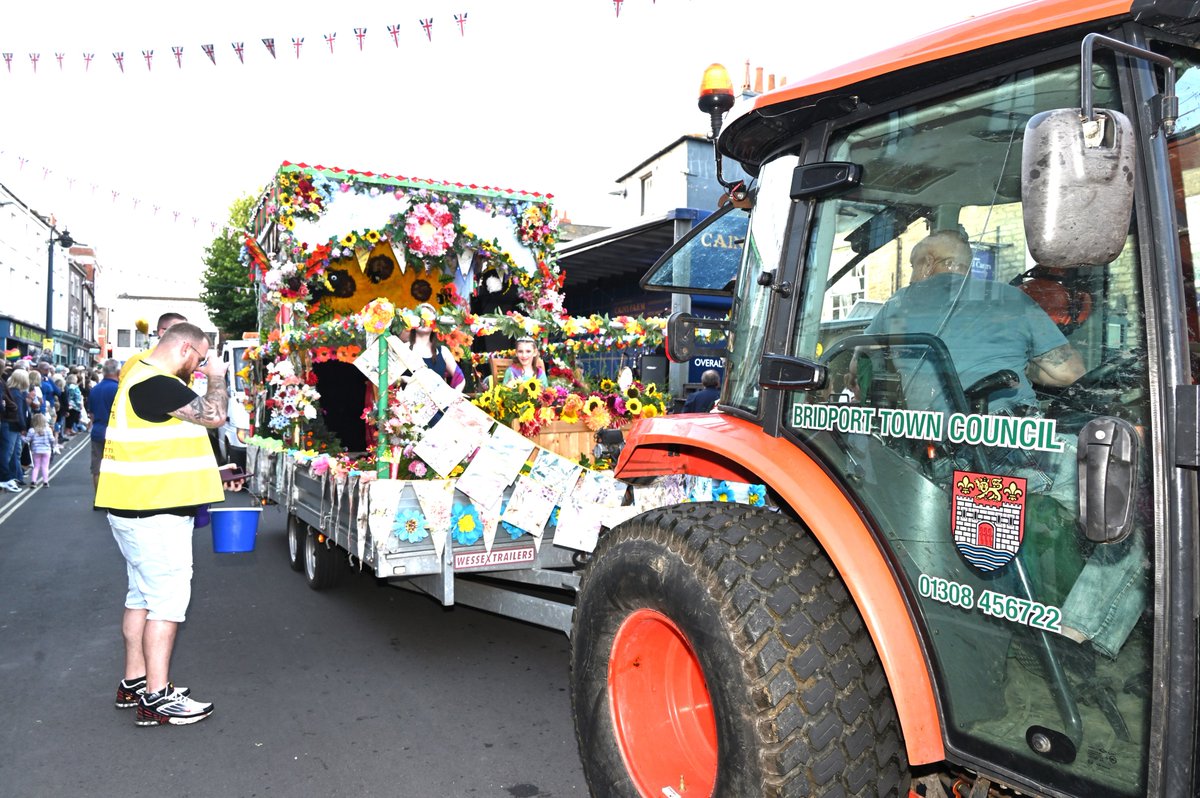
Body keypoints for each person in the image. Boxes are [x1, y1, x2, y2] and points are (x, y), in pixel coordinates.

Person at [95, 322, 241, 726]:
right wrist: (217, 376)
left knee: (141, 597)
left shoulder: (139, 376)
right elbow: (215, 415)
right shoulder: (156, 383)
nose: (200, 367)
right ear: (186, 349)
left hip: (136, 507)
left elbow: (164, 447)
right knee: (167, 602)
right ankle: (157, 698)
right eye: (200, 358)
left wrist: (217, 473)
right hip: (154, 514)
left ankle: (135, 683)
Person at [859, 229, 1084, 412]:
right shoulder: (1010, 297)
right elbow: (1069, 374)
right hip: (1010, 435)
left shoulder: (898, 303)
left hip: (930, 438)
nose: (911, 275)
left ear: (927, 263)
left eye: (912, 266)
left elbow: (859, 362)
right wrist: (1020, 365)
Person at [404, 304, 465, 392]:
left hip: (437, 400)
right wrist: (402, 379)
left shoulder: (443, 351)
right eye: (420, 317)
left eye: (428, 317)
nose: (424, 321)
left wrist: (454, 396)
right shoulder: (403, 349)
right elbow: (389, 378)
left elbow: (460, 379)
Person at [120, 312, 188, 381]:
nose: (186, 336)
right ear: (162, 333)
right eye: (180, 331)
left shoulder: (186, 363)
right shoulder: (138, 360)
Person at [89, 359, 121, 490]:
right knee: (116, 467)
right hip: (115, 433)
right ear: (118, 372)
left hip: (98, 430)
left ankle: (98, 497)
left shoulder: (94, 389)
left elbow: (91, 414)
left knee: (97, 468)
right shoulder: (119, 390)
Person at [1, 369, 31, 492]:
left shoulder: (16, 392)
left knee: (14, 453)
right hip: (12, 426)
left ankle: (15, 476)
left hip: (13, 426)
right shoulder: (16, 394)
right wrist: (23, 427)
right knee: (10, 453)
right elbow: (19, 413)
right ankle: (7, 478)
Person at [24, 413, 56, 488]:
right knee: (45, 467)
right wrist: (53, 445)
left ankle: (33, 482)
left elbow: (26, 440)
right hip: (46, 450)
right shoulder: (48, 429)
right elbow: (52, 439)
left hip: (36, 450)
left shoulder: (32, 430)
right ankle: (45, 482)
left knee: (36, 466)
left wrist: (22, 437)